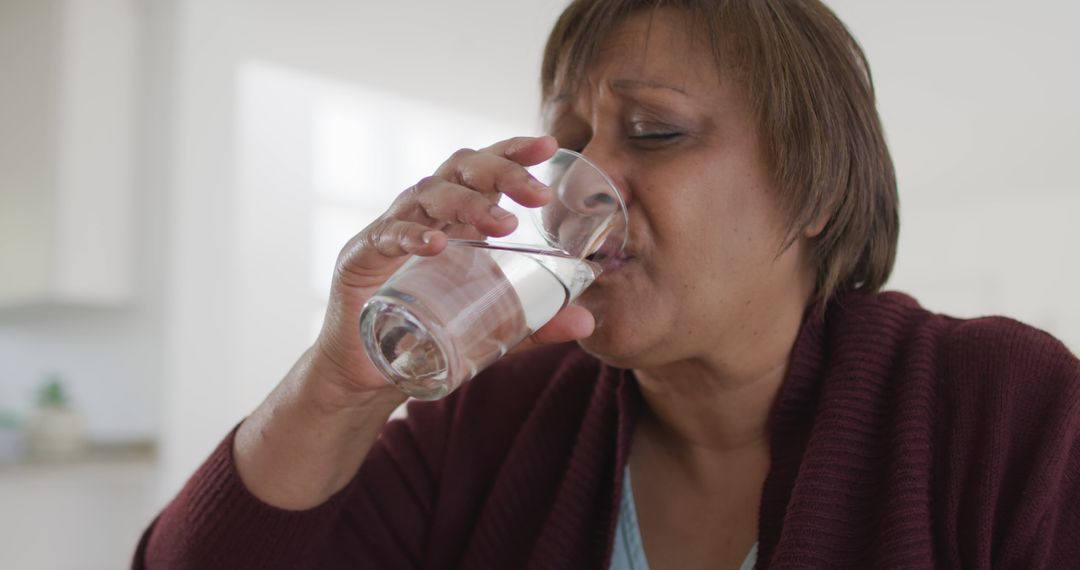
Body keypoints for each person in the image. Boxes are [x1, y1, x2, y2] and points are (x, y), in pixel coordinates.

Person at [133, 0, 1080, 568]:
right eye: (570, 145)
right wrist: (337, 383)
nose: (581, 194)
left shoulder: (1005, 408)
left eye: (656, 132)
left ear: (815, 189)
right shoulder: (488, 422)